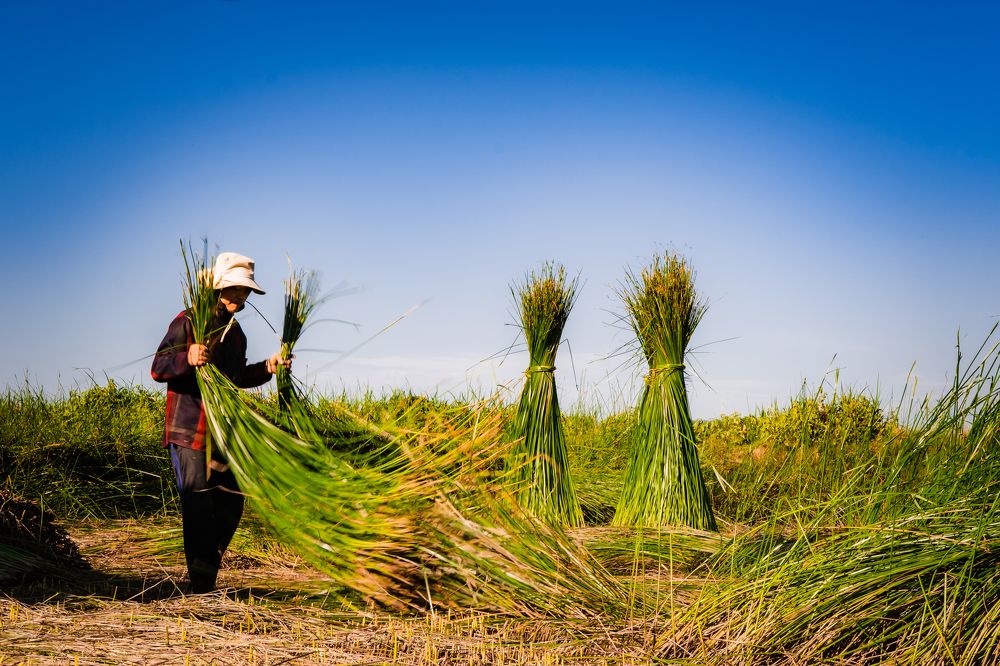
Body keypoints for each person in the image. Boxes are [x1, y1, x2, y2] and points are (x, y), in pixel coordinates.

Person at [151, 252, 290, 593]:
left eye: (246, 292)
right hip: (190, 430)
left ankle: (205, 568)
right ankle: (201, 586)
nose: (243, 297)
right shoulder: (188, 321)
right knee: (198, 501)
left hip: (222, 432)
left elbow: (237, 378)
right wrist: (188, 357)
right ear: (220, 289)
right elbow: (158, 367)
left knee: (231, 499)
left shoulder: (236, 333)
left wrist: (267, 368)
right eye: (238, 290)